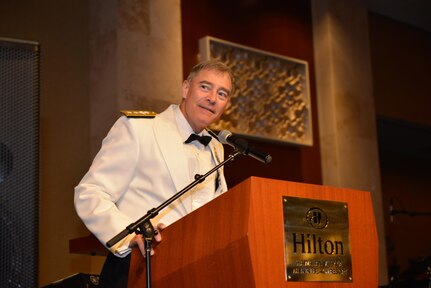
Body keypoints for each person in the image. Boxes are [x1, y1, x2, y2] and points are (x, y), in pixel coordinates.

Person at [74, 60, 234, 287]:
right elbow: (90, 192)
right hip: (137, 266)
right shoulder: (139, 128)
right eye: (205, 87)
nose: (212, 98)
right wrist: (129, 238)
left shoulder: (217, 148)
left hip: (192, 271)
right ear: (186, 89)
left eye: (222, 93)